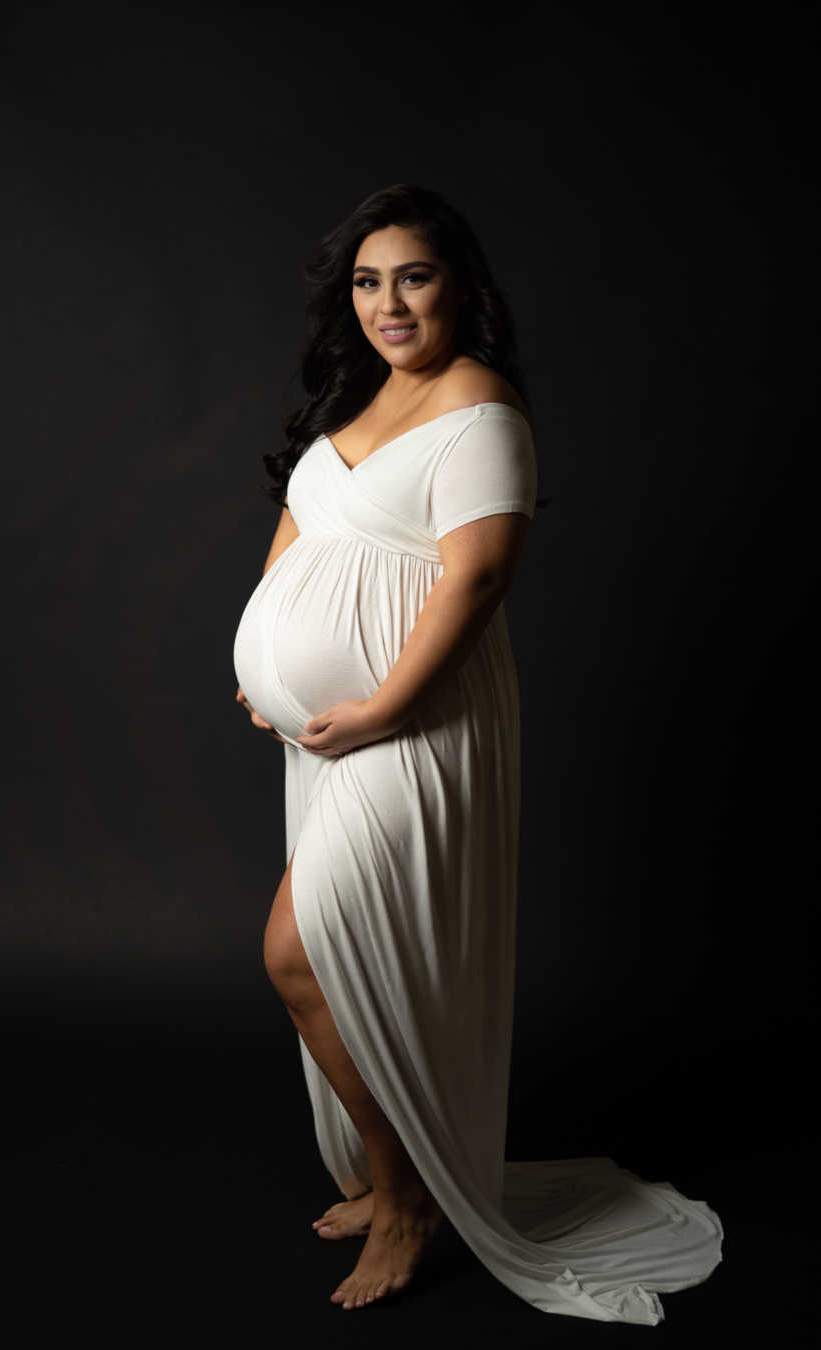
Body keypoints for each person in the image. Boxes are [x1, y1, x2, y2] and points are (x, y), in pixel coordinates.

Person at [232, 183, 722, 1322]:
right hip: (328, 736)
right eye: (367, 280)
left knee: (301, 953)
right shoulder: (356, 403)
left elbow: (479, 579)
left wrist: (380, 710)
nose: (388, 302)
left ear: (462, 286)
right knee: (342, 966)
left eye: (414, 276)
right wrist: (261, 669)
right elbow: (298, 539)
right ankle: (401, 1172)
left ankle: (409, 1199)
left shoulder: (481, 408)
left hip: (410, 724)